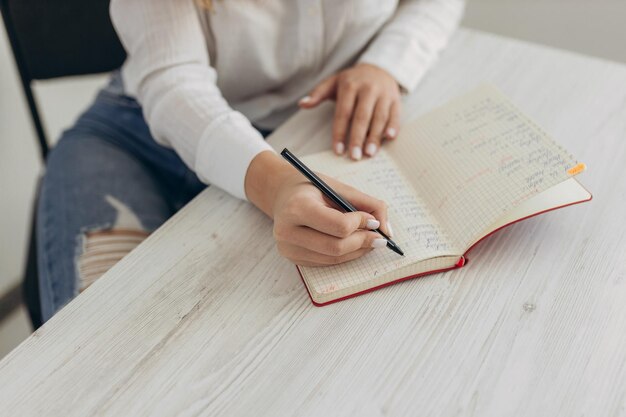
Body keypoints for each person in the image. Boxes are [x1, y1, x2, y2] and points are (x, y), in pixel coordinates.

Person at [37, 0, 464, 322]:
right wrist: (276, 185)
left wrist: (385, 65)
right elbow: (173, 84)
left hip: (303, 127)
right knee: (100, 330)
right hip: (135, 134)